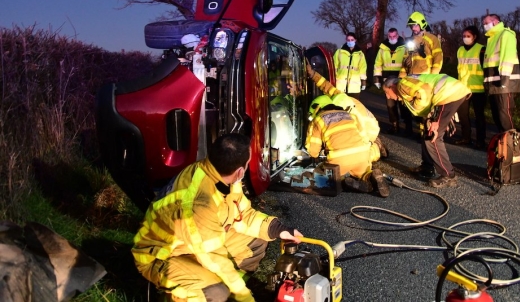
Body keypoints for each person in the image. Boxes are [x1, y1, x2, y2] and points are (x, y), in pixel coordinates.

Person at [132, 134, 302, 302]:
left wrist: (277, 229)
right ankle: (176, 297)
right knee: (215, 292)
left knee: (256, 241)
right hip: (162, 256)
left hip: (194, 242)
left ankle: (231, 295)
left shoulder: (220, 175)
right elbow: (215, 258)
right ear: (240, 171)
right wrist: (246, 298)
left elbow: (242, 215)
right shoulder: (199, 204)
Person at [383, 74, 471, 188]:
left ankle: (449, 176)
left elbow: (424, 91)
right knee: (426, 133)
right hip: (451, 93)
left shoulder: (401, 85)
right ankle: (427, 167)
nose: (388, 97)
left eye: (387, 92)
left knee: (432, 138)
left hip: (448, 95)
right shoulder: (406, 86)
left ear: (392, 86)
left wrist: (435, 119)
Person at [305, 95, 390, 197]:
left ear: (317, 108)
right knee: (362, 173)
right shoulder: (350, 115)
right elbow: (363, 136)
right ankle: (370, 176)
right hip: (362, 156)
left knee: (322, 174)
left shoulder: (318, 120)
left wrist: (319, 154)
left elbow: (313, 151)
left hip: (340, 160)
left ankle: (343, 182)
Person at [306, 61, 388, 159]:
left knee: (359, 155)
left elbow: (354, 139)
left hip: (368, 134)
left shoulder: (353, 117)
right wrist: (313, 74)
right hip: (369, 125)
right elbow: (326, 86)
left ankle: (377, 148)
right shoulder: (340, 99)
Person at [399, 12, 444, 138]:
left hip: (425, 78)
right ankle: (417, 130)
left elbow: (438, 58)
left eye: (415, 25)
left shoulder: (431, 39)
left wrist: (433, 76)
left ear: (422, 24)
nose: (413, 28)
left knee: (426, 108)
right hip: (412, 78)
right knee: (414, 106)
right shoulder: (410, 41)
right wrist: (401, 79)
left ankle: (425, 132)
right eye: (411, 26)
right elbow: (404, 63)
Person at [482, 13, 520, 133]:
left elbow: (507, 57)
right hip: (494, 84)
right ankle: (504, 144)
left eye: (486, 23)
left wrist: (504, 78)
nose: (484, 26)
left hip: (504, 84)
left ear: (495, 22)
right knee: (497, 116)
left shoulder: (505, 34)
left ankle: (512, 145)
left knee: (503, 115)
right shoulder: (491, 38)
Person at [455, 25, 487, 149]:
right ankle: (465, 137)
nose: (465, 38)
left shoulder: (481, 49)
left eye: (468, 36)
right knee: (463, 115)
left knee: (479, 117)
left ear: (474, 37)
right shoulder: (460, 50)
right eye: (464, 36)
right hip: (463, 89)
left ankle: (480, 140)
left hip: (478, 89)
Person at [373, 28, 408, 135]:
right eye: (390, 36)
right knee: (390, 105)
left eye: (394, 36)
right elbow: (378, 63)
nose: (392, 38)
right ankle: (395, 126)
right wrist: (377, 78)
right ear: (388, 36)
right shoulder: (383, 48)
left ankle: (408, 127)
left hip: (401, 80)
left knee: (404, 105)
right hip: (387, 81)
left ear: (397, 36)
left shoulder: (405, 47)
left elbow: (409, 62)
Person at [332, 32, 367, 99]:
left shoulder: (360, 54)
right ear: (346, 40)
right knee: (340, 106)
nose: (350, 41)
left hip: (354, 86)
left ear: (355, 40)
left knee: (354, 106)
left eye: (352, 40)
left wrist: (363, 81)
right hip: (340, 85)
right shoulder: (339, 52)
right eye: (348, 40)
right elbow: (334, 66)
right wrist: (334, 79)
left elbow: (363, 68)